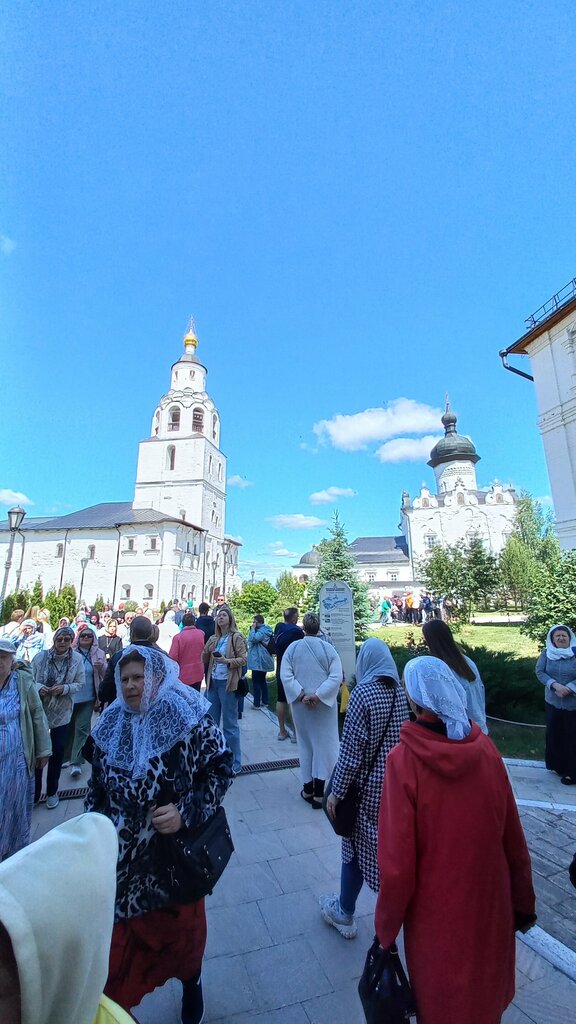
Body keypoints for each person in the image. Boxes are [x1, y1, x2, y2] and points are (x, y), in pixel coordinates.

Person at [375, 655, 536, 1024]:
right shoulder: (486, 751)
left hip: (438, 916)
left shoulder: (404, 761)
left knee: (444, 1003)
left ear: (414, 701)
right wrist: (523, 902)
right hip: (489, 903)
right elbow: (514, 836)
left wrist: (385, 931)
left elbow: (397, 867)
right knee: (484, 1000)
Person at [85, 645, 233, 1023]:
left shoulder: (185, 712)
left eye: (139, 677)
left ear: (155, 677)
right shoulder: (110, 722)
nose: (132, 686)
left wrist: (185, 812)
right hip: (120, 867)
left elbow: (220, 769)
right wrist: (93, 833)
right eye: (125, 679)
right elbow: (96, 789)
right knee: (117, 957)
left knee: (182, 938)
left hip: (170, 862)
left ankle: (192, 982)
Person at [0, 813, 134, 1024]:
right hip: (111, 885)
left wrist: (181, 817)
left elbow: (204, 794)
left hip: (160, 883)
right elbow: (96, 797)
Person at [319, 638, 409, 937]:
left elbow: (352, 752)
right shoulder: (400, 692)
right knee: (382, 848)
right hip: (394, 783)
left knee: (355, 848)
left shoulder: (363, 693)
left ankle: (344, 911)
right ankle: (359, 906)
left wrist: (336, 792)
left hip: (364, 789)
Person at [280, 611, 343, 808]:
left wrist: (301, 695)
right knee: (324, 746)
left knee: (305, 745)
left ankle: (307, 789)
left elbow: (285, 674)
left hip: (301, 706)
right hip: (324, 706)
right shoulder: (328, 649)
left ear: (303, 627)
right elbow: (336, 676)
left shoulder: (293, 648)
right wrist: (319, 695)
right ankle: (319, 793)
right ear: (318, 627)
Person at [0, 639, 51, 861]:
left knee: (13, 807)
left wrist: (43, 749)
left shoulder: (21, 680)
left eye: (2, 658)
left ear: (12, 661)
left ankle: (13, 856)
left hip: (16, 760)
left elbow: (36, 713)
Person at [31, 626, 85, 808]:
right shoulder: (41, 657)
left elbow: (80, 683)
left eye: (67, 640)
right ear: (54, 640)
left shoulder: (76, 660)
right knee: (38, 751)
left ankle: (52, 791)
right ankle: (35, 792)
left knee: (57, 750)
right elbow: (29, 680)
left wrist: (65, 688)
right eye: (59, 639)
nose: (62, 643)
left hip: (62, 712)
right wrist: (40, 687)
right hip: (40, 710)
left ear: (71, 641)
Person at [422, 617, 488, 733]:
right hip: (478, 726)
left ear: (430, 641)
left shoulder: (440, 669)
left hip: (461, 732)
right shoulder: (467, 661)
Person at [202, 607, 247, 774]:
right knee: (212, 724)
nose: (220, 618)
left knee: (230, 725)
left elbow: (243, 659)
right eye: (218, 616)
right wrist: (206, 650)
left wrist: (226, 661)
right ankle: (214, 758)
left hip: (228, 684)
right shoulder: (214, 638)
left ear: (230, 619)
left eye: (223, 615)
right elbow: (205, 658)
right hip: (213, 683)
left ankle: (235, 762)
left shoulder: (236, 637)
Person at [536, 624, 576, 785]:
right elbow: (540, 672)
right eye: (557, 636)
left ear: (570, 638)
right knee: (555, 734)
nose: (560, 638)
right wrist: (554, 685)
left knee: (572, 737)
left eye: (563, 636)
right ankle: (557, 765)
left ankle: (572, 772)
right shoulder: (547, 653)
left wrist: (570, 688)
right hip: (552, 702)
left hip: (573, 704)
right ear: (552, 639)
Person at [65, 626, 107, 779]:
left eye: (89, 636)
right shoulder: (70, 654)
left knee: (82, 729)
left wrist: (101, 666)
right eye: (83, 636)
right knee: (68, 728)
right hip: (69, 698)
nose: (86, 638)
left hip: (88, 697)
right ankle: (66, 756)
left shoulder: (99, 654)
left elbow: (105, 673)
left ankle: (76, 761)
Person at [98, 616, 161, 709]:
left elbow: (105, 689)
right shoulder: (161, 656)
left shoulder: (119, 656)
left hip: (123, 707)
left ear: (132, 633)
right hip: (153, 708)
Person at [274, 607, 304, 742]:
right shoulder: (297, 632)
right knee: (294, 700)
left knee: (281, 700)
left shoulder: (279, 629)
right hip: (294, 670)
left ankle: (281, 731)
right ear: (293, 618)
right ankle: (296, 733)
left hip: (280, 669)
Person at [169, 612, 206, 691]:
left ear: (182, 623)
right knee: (196, 697)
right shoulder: (201, 634)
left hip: (184, 674)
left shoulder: (178, 638)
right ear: (194, 622)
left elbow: (173, 657)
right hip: (198, 671)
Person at [247, 614, 274, 709]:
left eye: (254, 622)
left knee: (256, 681)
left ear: (259, 622)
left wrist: (253, 629)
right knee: (262, 681)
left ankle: (256, 703)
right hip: (263, 659)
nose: (253, 623)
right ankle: (265, 701)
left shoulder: (261, 631)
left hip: (259, 660)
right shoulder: (266, 630)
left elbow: (253, 639)